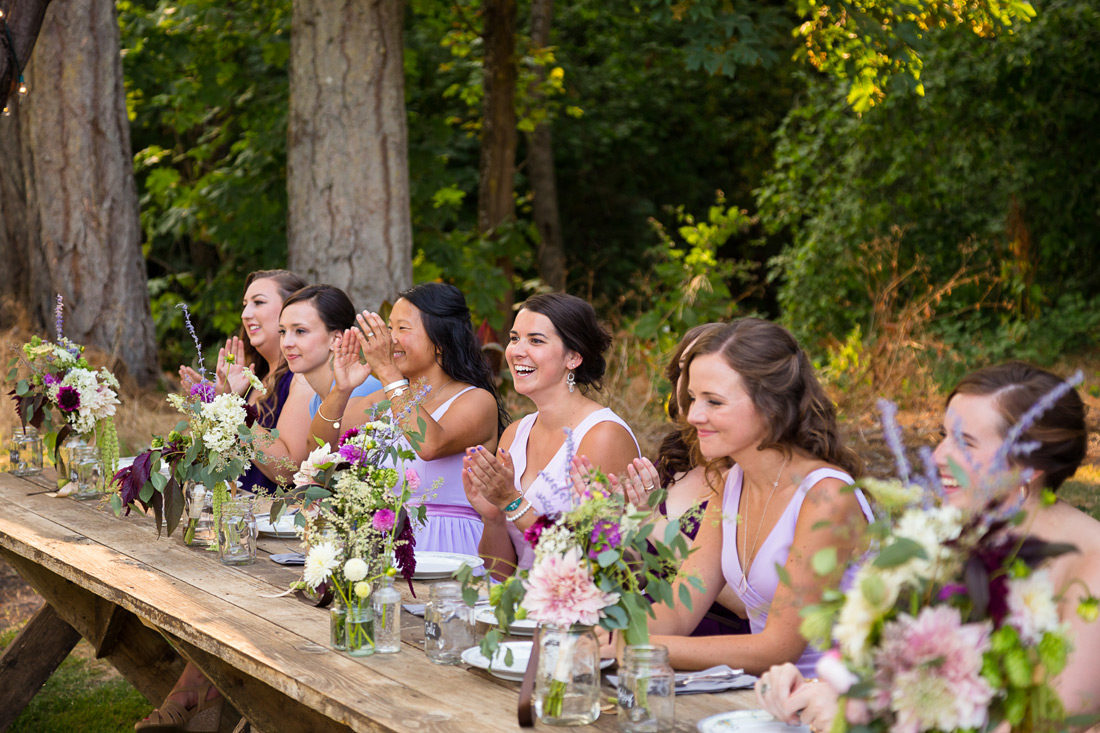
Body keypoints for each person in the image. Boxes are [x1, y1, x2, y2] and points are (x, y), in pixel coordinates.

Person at [756, 362, 1100, 732]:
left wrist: (869, 712)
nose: (937, 457)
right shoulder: (943, 539)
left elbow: (1054, 722)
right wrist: (818, 687)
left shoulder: (1090, 564)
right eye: (944, 436)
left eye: (965, 442)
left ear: (1028, 466)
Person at [641, 318, 871, 674]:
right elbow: (678, 609)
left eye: (714, 401)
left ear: (772, 405)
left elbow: (776, 649)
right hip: (761, 699)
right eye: (691, 398)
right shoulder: (731, 483)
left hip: (836, 709)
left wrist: (638, 647)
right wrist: (599, 633)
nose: (693, 415)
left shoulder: (827, 496)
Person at [307, 282, 507, 558]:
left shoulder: (476, 400)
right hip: (387, 544)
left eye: (402, 328)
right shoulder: (383, 399)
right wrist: (342, 389)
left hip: (451, 547)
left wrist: (388, 371)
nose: (390, 340)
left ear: (440, 340)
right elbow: (320, 449)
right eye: (390, 328)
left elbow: (429, 445)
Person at [462, 292, 641, 580]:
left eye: (535, 340)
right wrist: (493, 517)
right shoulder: (514, 435)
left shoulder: (604, 436)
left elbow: (601, 564)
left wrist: (512, 502)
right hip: (522, 611)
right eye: (514, 338)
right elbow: (502, 574)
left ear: (573, 357)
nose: (517, 350)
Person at [613, 322, 748, 636]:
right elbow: (646, 571)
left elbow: (744, 600)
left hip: (717, 642)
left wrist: (650, 522)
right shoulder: (673, 462)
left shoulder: (749, 475)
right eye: (685, 373)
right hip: (653, 628)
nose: (692, 388)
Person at [179, 269, 313, 493]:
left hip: (274, 521)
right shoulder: (253, 378)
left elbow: (287, 471)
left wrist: (229, 405)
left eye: (258, 302)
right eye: (245, 304)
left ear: (291, 310)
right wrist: (213, 405)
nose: (245, 314)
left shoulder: (302, 379)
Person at [277, 285, 381, 423]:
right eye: (283, 332)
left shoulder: (359, 391)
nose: (286, 343)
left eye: (300, 331)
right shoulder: (315, 402)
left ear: (336, 339)